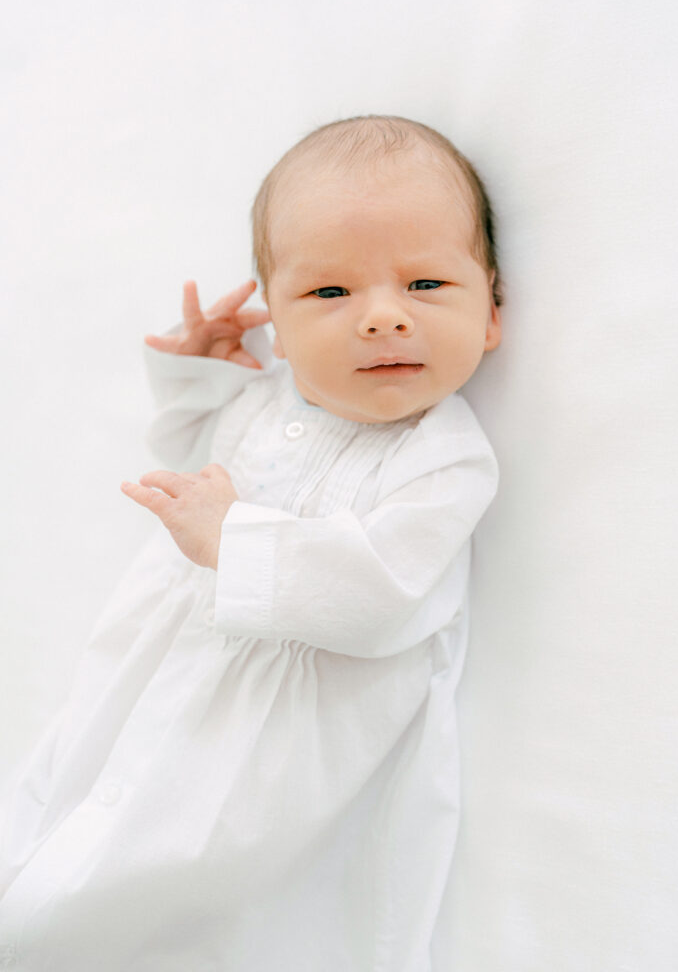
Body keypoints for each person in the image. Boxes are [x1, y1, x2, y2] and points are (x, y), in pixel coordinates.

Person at [0, 114, 503, 970]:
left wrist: (239, 539)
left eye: (423, 284)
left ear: (491, 312)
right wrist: (200, 375)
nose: (380, 318)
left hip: (286, 739)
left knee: (195, 881)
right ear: (274, 316)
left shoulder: (443, 458)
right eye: (329, 295)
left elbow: (383, 596)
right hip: (156, 668)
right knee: (72, 799)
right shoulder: (269, 397)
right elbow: (184, 460)